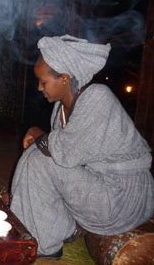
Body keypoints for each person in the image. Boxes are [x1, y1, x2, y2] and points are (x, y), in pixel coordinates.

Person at [9, 34, 154, 260]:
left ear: (65, 78)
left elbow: (64, 152)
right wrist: (40, 139)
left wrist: (38, 134)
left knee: (39, 158)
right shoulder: (60, 110)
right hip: (99, 187)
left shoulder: (97, 98)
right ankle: (42, 229)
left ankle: (47, 243)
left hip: (122, 197)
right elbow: (62, 154)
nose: (39, 88)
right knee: (35, 155)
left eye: (43, 82)